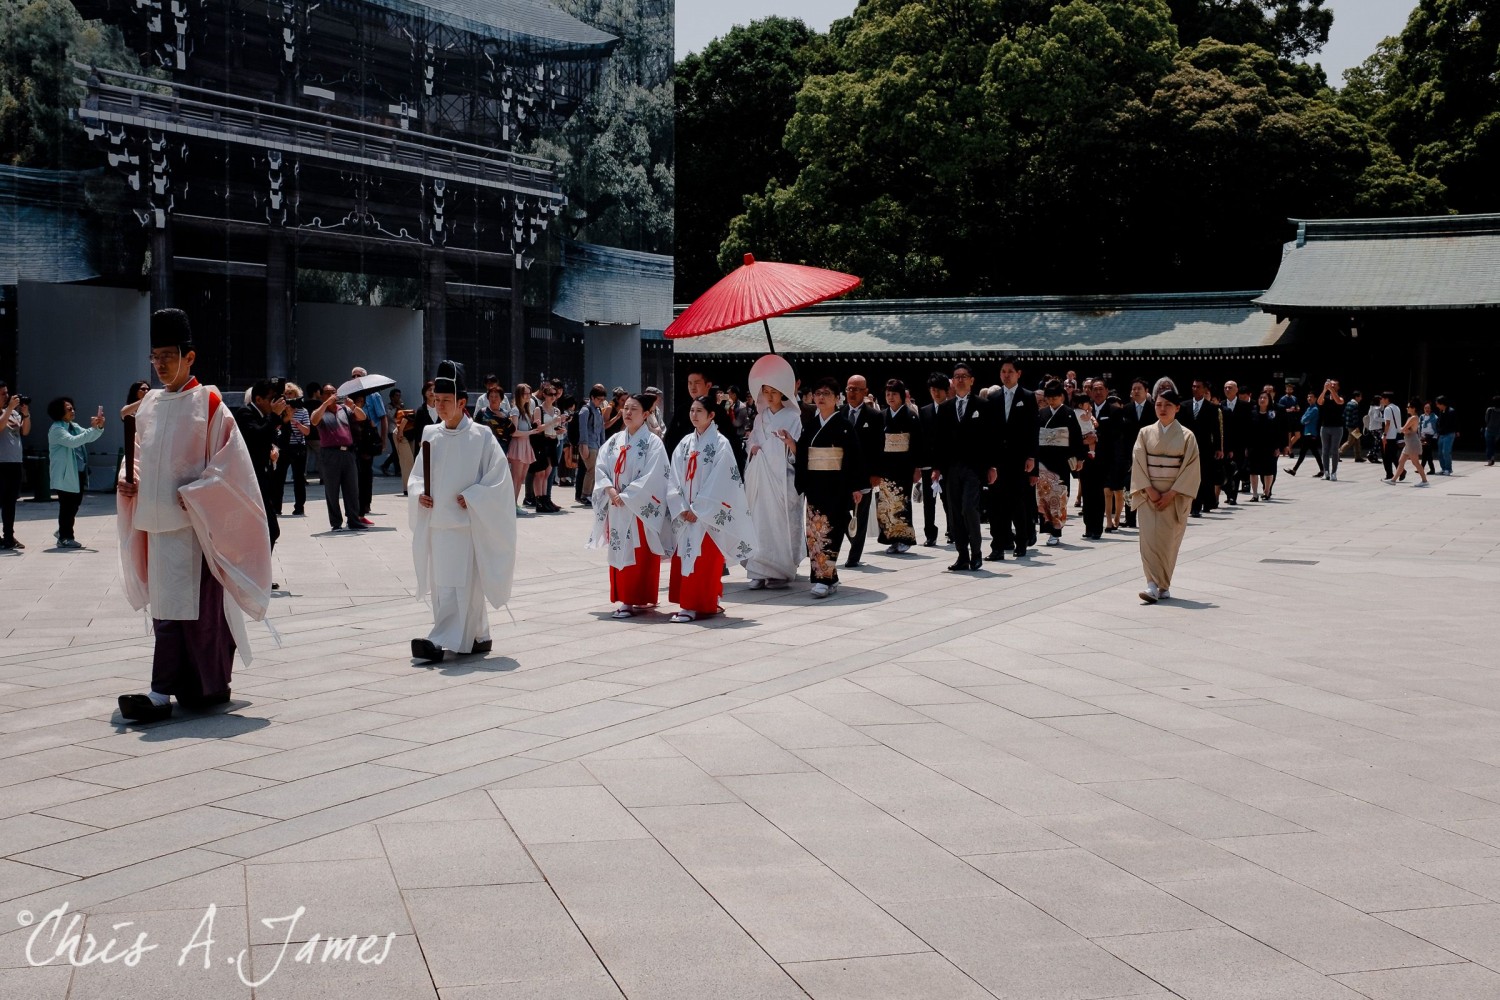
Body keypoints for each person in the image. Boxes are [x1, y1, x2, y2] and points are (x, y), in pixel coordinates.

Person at [115, 308, 273, 722]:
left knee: (199, 616)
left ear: (189, 356)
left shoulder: (211, 404)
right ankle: (167, 690)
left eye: (168, 356)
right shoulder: (148, 405)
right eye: (155, 357)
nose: (160, 364)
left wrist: (201, 494)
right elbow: (137, 456)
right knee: (166, 611)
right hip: (157, 524)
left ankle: (201, 687)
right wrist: (129, 480)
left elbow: (232, 466)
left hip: (196, 527)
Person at [407, 361, 517, 663]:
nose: (439, 406)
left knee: (462, 585)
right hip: (438, 522)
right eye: (436, 400)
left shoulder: (482, 436)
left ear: (462, 402)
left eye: (446, 400)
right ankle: (479, 636)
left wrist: (474, 496)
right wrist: (419, 493)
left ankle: (441, 640)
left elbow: (499, 477)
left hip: (467, 523)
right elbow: (417, 476)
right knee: (443, 584)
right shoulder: (430, 433)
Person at [666, 394, 757, 622]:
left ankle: (695, 605)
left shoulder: (720, 444)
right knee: (687, 557)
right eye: (692, 410)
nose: (694, 415)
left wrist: (698, 509)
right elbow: (674, 476)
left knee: (705, 560)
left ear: (711, 415)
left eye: (699, 411)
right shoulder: (685, 443)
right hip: (686, 512)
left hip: (708, 516)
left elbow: (721, 480)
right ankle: (692, 603)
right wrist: (681, 505)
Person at [589, 394, 672, 618]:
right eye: (625, 408)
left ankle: (640, 597)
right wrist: (610, 490)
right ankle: (627, 599)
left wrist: (627, 496)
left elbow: (655, 475)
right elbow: (601, 466)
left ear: (645, 414)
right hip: (617, 506)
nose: (627, 412)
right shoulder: (614, 440)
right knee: (622, 549)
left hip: (639, 508)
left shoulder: (653, 443)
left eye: (633, 409)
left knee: (640, 553)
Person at [796, 377, 865, 597]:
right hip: (815, 486)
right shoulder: (811, 425)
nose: (821, 397)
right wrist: (791, 444)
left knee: (831, 532)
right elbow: (803, 453)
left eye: (826, 393)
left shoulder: (844, 426)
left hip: (837, 486)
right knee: (814, 534)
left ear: (837, 398)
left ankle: (824, 580)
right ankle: (829, 577)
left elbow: (854, 457)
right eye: (818, 393)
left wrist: (856, 487)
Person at [1130, 389, 1201, 604]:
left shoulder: (1187, 436)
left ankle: (1164, 584)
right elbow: (1138, 462)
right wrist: (1149, 489)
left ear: (1177, 408)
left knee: (1169, 541)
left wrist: (1172, 493)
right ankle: (1151, 584)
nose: (1162, 409)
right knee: (1148, 540)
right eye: (1159, 404)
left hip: (1174, 496)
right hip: (1148, 494)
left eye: (1168, 405)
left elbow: (1191, 468)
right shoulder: (1145, 433)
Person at [743, 354, 804, 589]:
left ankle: (780, 571)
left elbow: (797, 449)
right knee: (759, 522)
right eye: (766, 391)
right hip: (761, 478)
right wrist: (753, 450)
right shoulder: (760, 418)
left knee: (782, 524)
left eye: (774, 391)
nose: (769, 396)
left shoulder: (793, 417)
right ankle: (758, 569)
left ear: (783, 393)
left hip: (783, 479)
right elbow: (752, 442)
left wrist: (788, 444)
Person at [936, 363, 998, 570]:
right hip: (952, 467)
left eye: (964, 376)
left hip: (974, 467)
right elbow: (939, 440)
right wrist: (937, 467)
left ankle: (976, 552)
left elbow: (991, 438)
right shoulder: (945, 407)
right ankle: (962, 555)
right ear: (952, 382)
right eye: (956, 376)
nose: (960, 380)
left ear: (972, 380)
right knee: (954, 511)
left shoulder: (983, 405)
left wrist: (991, 466)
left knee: (969, 507)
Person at [235, 379, 288, 569]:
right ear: (258, 399)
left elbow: (268, 438)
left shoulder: (264, 415)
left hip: (261, 479)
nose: (276, 403)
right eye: (272, 399)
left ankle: (258, 573)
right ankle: (255, 573)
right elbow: (256, 437)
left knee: (268, 530)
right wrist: (274, 416)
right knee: (269, 529)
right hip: (248, 481)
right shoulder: (245, 413)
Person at [989, 357, 1037, 559]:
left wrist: (1032, 457)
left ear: (1018, 373)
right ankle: (998, 545)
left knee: (1017, 501)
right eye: (1003, 371)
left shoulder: (1027, 396)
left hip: (1019, 458)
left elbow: (1033, 429)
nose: (1006, 375)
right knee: (996, 503)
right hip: (998, 459)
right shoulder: (993, 397)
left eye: (1010, 371)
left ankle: (1022, 541)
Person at [47, 397, 104, 549]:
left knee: (74, 504)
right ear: (60, 412)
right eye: (69, 409)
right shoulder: (57, 429)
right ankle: (65, 537)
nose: (73, 411)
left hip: (77, 472)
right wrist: (92, 429)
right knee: (67, 506)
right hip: (65, 475)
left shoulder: (73, 425)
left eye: (72, 408)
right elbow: (73, 441)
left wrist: (97, 427)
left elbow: (88, 436)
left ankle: (63, 530)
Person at [310, 382, 369, 531]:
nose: (331, 395)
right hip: (330, 453)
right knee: (332, 489)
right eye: (327, 393)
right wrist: (325, 404)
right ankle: (336, 522)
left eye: (333, 392)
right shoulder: (320, 411)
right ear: (322, 396)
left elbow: (363, 417)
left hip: (348, 452)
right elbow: (314, 420)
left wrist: (353, 406)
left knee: (352, 489)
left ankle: (353, 520)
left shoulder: (344, 409)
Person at [1035, 380, 1087, 546]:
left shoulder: (1069, 413)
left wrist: (1080, 458)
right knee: (1044, 495)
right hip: (1044, 460)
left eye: (1055, 397)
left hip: (1061, 460)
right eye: (1049, 398)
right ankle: (1047, 527)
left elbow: (1076, 437)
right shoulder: (1042, 413)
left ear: (1062, 397)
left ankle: (1056, 531)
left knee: (1059, 495)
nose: (1052, 401)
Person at [841, 374, 885, 567]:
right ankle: (855, 541)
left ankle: (854, 556)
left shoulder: (874, 416)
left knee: (861, 514)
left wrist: (876, 473)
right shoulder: (839, 413)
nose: (852, 393)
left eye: (857, 389)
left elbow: (879, 446)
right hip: (842, 473)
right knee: (841, 511)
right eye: (849, 389)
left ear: (865, 392)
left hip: (864, 473)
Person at [876, 379, 920, 553]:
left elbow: (917, 444)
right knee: (887, 503)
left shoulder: (911, 416)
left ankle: (905, 539)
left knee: (902, 502)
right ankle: (892, 539)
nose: (890, 397)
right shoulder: (882, 416)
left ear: (902, 396)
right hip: (886, 465)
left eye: (894, 394)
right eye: (888, 394)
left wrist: (917, 468)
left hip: (904, 466)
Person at [1179, 378, 1222, 516]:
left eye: (1198, 387)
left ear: (1204, 390)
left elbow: (1216, 430)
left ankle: (1200, 505)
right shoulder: (1184, 406)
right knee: (1189, 476)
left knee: (1203, 476)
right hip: (1187, 445)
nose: (1195, 389)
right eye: (1193, 386)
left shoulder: (1212, 408)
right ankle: (1192, 505)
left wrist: (1218, 448)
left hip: (1205, 447)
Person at [917, 373, 950, 547]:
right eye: (932, 390)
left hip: (947, 463)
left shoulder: (952, 408)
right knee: (928, 501)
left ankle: (952, 529)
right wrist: (919, 465)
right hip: (928, 463)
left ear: (946, 391)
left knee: (948, 499)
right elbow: (921, 439)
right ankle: (930, 533)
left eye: (939, 390)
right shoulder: (924, 411)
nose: (936, 393)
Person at [349, 367, 386, 516]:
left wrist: (383, 440)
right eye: (353, 376)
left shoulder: (374, 395)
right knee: (355, 472)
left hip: (368, 435)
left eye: (358, 375)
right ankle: (356, 503)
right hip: (353, 435)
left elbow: (382, 417)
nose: (356, 378)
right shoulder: (349, 395)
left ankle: (365, 504)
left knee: (366, 472)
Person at [0, 381, 31, 551]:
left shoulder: (13, 413)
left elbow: (25, 432)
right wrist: (10, 408)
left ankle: (9, 537)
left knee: (10, 503)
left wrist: (25, 415)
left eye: (7, 392)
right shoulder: (7, 412)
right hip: (1, 463)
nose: (6, 396)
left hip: (15, 463)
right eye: (2, 394)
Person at [1119, 378, 1153, 529]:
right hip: (1129, 454)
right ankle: (1130, 518)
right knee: (1129, 486)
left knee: (1148, 486)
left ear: (1146, 391)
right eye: (1134, 389)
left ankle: (1148, 518)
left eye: (1139, 389)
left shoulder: (1153, 409)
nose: (1136, 391)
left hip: (1148, 452)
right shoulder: (1125, 409)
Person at [276, 382, 310, 516]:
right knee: (279, 478)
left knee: (299, 478)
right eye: (286, 394)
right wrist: (287, 417)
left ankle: (299, 507)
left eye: (291, 393)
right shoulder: (280, 410)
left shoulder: (303, 411)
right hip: (283, 447)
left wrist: (297, 423)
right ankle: (276, 507)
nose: (288, 396)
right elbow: (276, 427)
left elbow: (307, 431)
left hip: (298, 447)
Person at [397, 380, 436, 494]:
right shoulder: (421, 410)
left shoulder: (441, 409)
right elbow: (418, 428)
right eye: (429, 390)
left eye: (434, 390)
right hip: (424, 445)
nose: (432, 392)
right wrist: (420, 442)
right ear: (424, 393)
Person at [1247, 390, 1285, 501]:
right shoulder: (1252, 413)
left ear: (1269, 400)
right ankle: (1255, 494)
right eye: (1260, 398)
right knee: (1253, 471)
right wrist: (1247, 447)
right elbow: (1247, 431)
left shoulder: (1273, 414)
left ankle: (1267, 491)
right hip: (1254, 446)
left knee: (1268, 470)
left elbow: (1278, 431)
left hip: (1269, 446)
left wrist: (1278, 447)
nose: (1262, 400)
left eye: (1265, 398)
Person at [1388, 398, 1431, 487]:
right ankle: (1393, 480)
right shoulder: (1411, 418)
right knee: (1401, 461)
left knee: (1415, 462)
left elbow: (1403, 429)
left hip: (1412, 442)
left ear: (1413, 408)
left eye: (1408, 407)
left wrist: (1397, 427)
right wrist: (1403, 430)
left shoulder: (1413, 418)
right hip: (1409, 442)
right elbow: (1405, 430)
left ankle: (1425, 481)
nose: (1407, 408)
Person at [576, 385, 607, 506]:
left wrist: (603, 445)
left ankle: (591, 494)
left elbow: (601, 429)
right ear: (592, 397)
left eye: (602, 400)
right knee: (591, 470)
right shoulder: (585, 410)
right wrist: (584, 445)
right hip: (589, 444)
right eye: (599, 399)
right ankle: (585, 495)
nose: (601, 402)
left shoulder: (599, 410)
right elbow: (583, 429)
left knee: (596, 470)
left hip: (597, 444)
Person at [1285, 392, 1323, 477]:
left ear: (1315, 399)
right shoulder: (1309, 408)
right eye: (1308, 397)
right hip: (1307, 433)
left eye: (1311, 397)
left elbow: (1304, 419)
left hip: (1311, 433)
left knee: (1305, 453)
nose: (1309, 398)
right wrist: (1304, 420)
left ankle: (1294, 470)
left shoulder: (1314, 409)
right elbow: (1302, 420)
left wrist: (1304, 420)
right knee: (1313, 453)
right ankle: (1322, 470)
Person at [1315, 379, 1344, 482]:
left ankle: (1334, 472)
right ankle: (1326, 471)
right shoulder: (1326, 397)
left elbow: (1338, 401)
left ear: (1338, 387)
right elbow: (1319, 402)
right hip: (1325, 427)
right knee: (1325, 450)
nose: (1332, 385)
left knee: (1334, 450)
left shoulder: (1341, 396)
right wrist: (1324, 390)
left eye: (1334, 384)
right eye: (1331, 384)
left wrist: (1331, 390)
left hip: (1337, 427)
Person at [1378, 391, 1403, 480]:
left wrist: (1384, 435)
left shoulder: (1387, 409)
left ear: (1387, 399)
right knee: (1393, 456)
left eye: (1382, 398)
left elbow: (1387, 423)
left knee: (1386, 457)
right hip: (1396, 435)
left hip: (1389, 436)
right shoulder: (1397, 407)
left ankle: (1389, 474)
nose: (1381, 400)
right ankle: (1401, 471)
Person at [379, 388, 404, 476]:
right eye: (396, 396)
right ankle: (393, 468)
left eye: (399, 396)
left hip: (399, 430)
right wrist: (396, 408)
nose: (398, 397)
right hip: (391, 430)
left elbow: (403, 416)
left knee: (398, 450)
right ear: (392, 397)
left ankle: (389, 466)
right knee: (396, 450)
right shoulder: (388, 407)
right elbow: (390, 417)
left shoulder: (401, 405)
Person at [1435, 395, 1459, 475]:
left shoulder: (1451, 411)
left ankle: (1448, 469)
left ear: (1442, 404)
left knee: (1446, 452)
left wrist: (1456, 431)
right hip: (1441, 434)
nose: (1437, 406)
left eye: (1438, 404)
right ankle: (1443, 468)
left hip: (1449, 434)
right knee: (1440, 453)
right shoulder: (1441, 411)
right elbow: (1439, 422)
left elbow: (1455, 423)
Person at [1419, 402, 1439, 475]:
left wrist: (1435, 436)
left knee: (1428, 453)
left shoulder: (1435, 417)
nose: (1426, 409)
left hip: (1430, 437)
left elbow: (1437, 428)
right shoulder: (1422, 417)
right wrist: (1420, 436)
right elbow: (1419, 427)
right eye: (1425, 408)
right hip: (1423, 437)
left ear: (1431, 409)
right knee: (1425, 453)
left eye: (1428, 408)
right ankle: (1422, 468)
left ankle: (1431, 469)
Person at [1486, 395, 1500, 466]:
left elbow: (1486, 419)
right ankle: (1493, 457)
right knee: (1493, 445)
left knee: (1489, 445)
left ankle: (1489, 460)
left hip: (1489, 429)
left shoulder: (1489, 409)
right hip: (1498, 431)